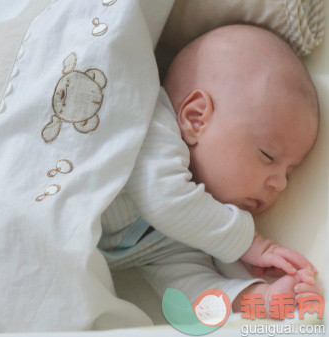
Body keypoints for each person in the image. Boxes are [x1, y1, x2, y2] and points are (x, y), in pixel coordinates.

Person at [98, 24, 322, 316]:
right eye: (268, 155)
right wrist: (252, 243)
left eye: (289, 172)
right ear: (195, 119)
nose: (280, 184)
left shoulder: (187, 231)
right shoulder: (150, 125)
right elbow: (164, 199)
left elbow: (193, 294)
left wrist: (263, 299)